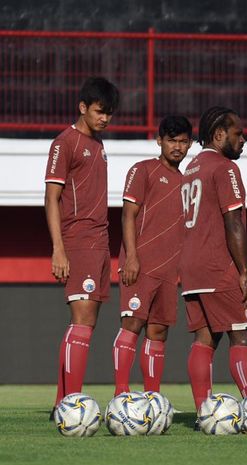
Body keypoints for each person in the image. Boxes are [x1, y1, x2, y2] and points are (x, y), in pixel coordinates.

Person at [179, 106, 247, 426]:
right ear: (218, 135)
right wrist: (245, 273)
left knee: (205, 339)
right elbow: (234, 223)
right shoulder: (224, 168)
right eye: (237, 133)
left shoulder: (189, 168)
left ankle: (205, 413)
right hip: (217, 264)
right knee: (244, 335)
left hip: (191, 268)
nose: (243, 139)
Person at [45, 77, 120, 418]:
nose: (105, 119)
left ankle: (63, 402)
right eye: (100, 112)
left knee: (85, 322)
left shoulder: (98, 144)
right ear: (83, 108)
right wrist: (58, 248)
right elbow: (51, 197)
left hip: (100, 241)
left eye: (109, 114)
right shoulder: (66, 142)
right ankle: (71, 405)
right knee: (83, 319)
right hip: (78, 240)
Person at [112, 116, 193, 395]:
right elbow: (127, 215)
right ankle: (121, 393)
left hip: (170, 273)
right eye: (172, 140)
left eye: (183, 141)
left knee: (159, 332)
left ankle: (152, 397)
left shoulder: (187, 183)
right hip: (141, 264)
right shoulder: (143, 170)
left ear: (190, 144)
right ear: (159, 141)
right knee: (132, 324)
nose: (178, 147)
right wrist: (131, 257)